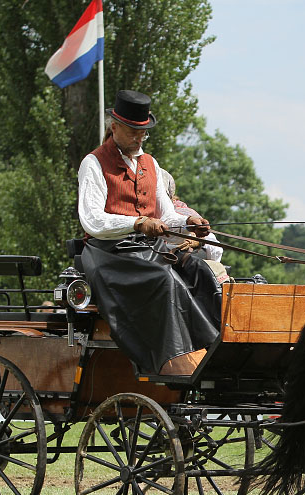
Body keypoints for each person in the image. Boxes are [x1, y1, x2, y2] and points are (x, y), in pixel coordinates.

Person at [77, 89, 220, 376]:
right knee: (164, 279)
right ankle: (173, 359)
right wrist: (137, 223)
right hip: (109, 255)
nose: (139, 139)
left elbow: (167, 215)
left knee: (199, 272)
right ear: (114, 127)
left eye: (143, 133)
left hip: (147, 251)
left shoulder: (150, 164)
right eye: (133, 132)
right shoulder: (93, 163)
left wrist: (189, 225)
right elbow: (92, 220)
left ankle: (214, 347)